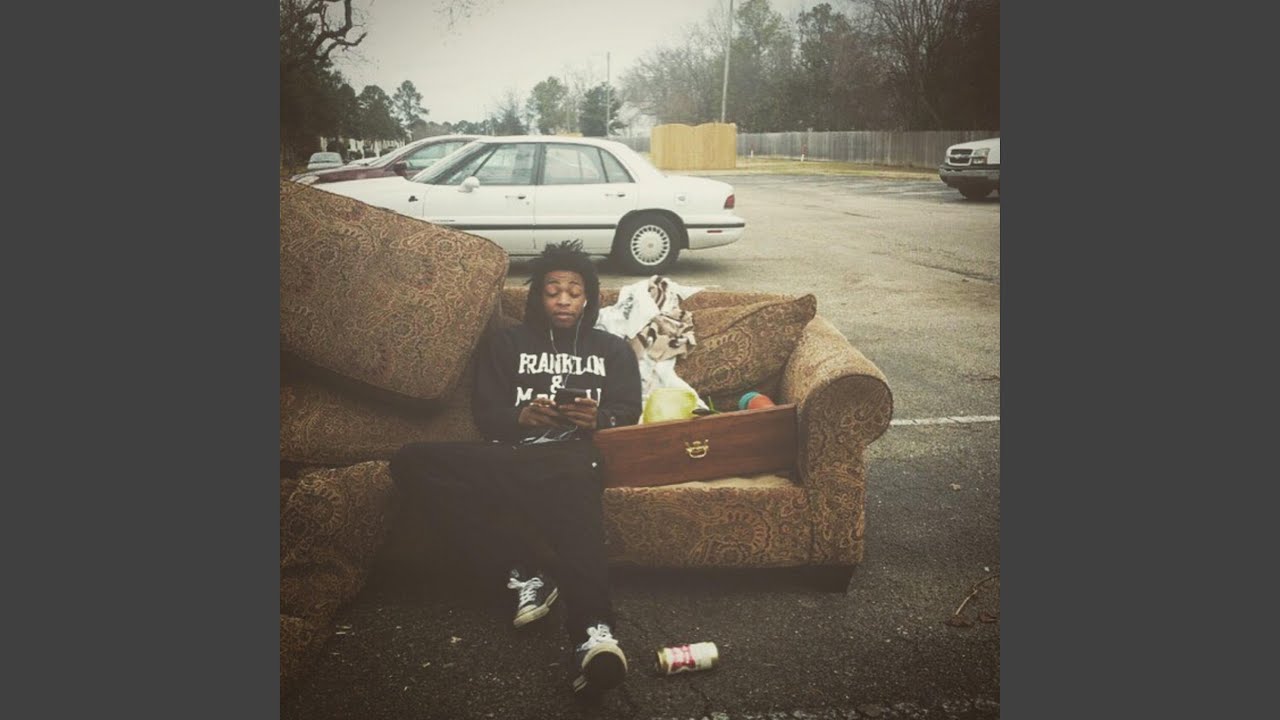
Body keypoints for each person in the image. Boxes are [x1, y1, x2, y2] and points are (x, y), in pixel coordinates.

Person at [389, 240, 642, 695]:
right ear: (537, 297)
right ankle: (524, 573)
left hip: (575, 456)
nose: (563, 300)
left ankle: (593, 633)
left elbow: (629, 413)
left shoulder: (613, 350)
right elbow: (487, 416)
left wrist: (599, 419)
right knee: (413, 460)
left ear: (589, 298)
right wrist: (520, 417)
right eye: (552, 291)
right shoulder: (505, 345)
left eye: (574, 292)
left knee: (575, 486)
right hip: (513, 455)